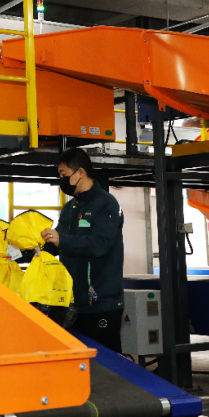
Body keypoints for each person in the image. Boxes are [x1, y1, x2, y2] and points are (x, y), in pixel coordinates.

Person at [41, 148, 125, 352]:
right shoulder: (70, 208)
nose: (61, 180)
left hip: (100, 302)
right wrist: (30, 250)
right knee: (77, 359)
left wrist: (61, 239)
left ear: (80, 172)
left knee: (106, 362)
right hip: (72, 301)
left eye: (63, 174)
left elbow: (99, 245)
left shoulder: (106, 204)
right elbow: (57, 244)